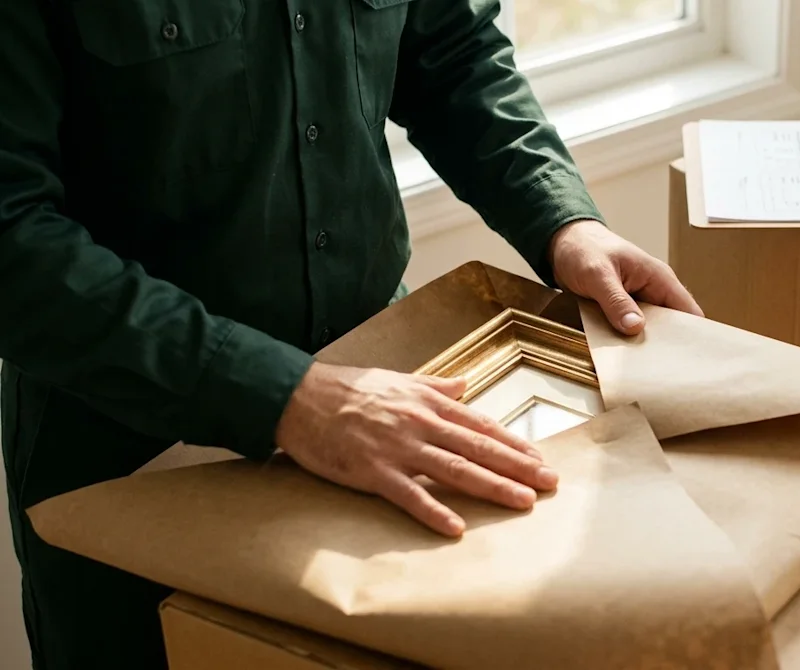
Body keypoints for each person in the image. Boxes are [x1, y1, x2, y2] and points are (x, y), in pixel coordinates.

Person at [0, 2, 703, 668]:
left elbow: (454, 52)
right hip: (125, 456)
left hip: (392, 395)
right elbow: (12, 240)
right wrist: (287, 397)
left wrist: (563, 223)